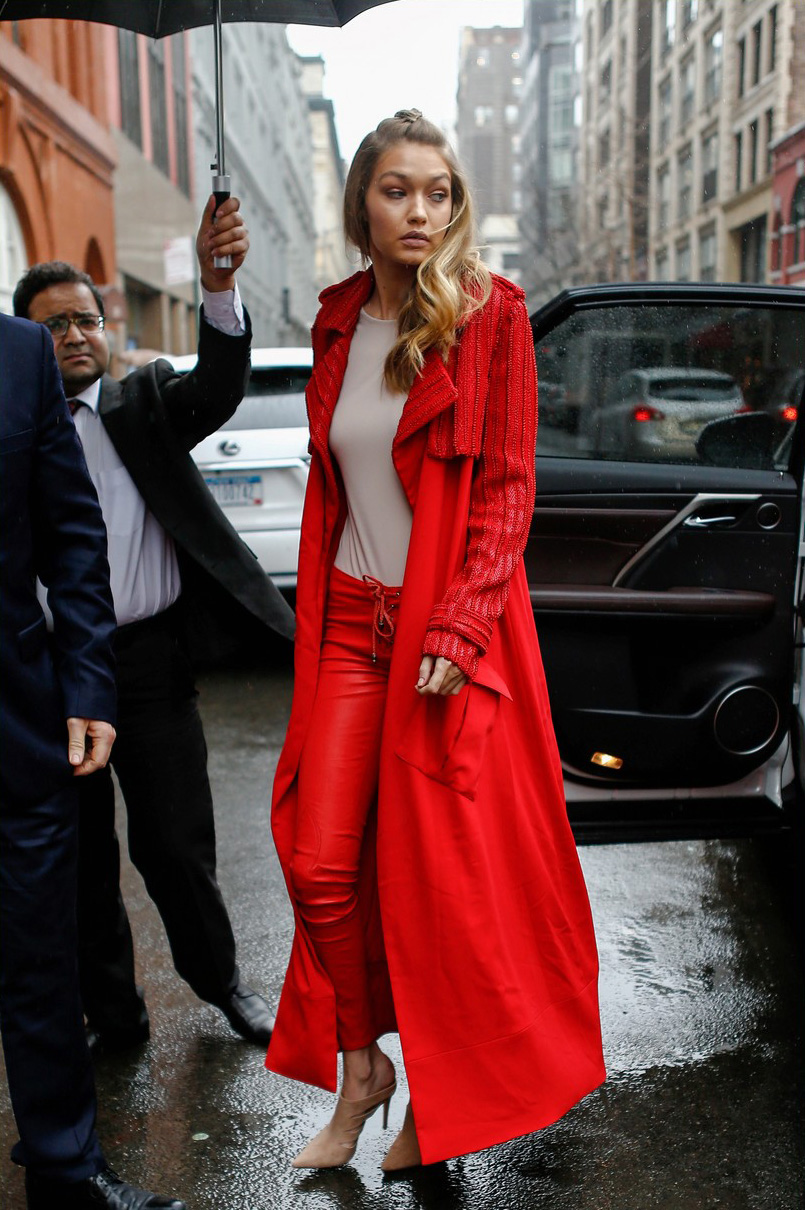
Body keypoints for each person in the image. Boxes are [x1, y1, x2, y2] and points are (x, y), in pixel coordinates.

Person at [265, 110, 606, 1172]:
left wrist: (460, 623)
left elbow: (506, 490)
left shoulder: (487, 317)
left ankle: (441, 1101)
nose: (421, 210)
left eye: (439, 192)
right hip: (348, 632)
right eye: (397, 190)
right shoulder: (335, 323)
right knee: (319, 862)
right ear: (361, 205)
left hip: (442, 640)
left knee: (440, 889)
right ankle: (363, 1067)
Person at [12, 196, 295, 1052]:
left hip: (149, 666)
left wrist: (218, 287)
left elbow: (218, 383)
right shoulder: (16, 433)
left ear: (107, 328)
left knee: (175, 849)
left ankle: (225, 987)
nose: (73, 335)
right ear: (25, 342)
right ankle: (116, 1017)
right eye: (52, 325)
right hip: (52, 675)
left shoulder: (145, 403)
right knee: (82, 862)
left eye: (85, 319)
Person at [0, 312, 184, 1209]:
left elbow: (73, 535)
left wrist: (86, 685)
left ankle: (68, 1174)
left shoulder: (19, 352)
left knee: (41, 952)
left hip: (19, 714)